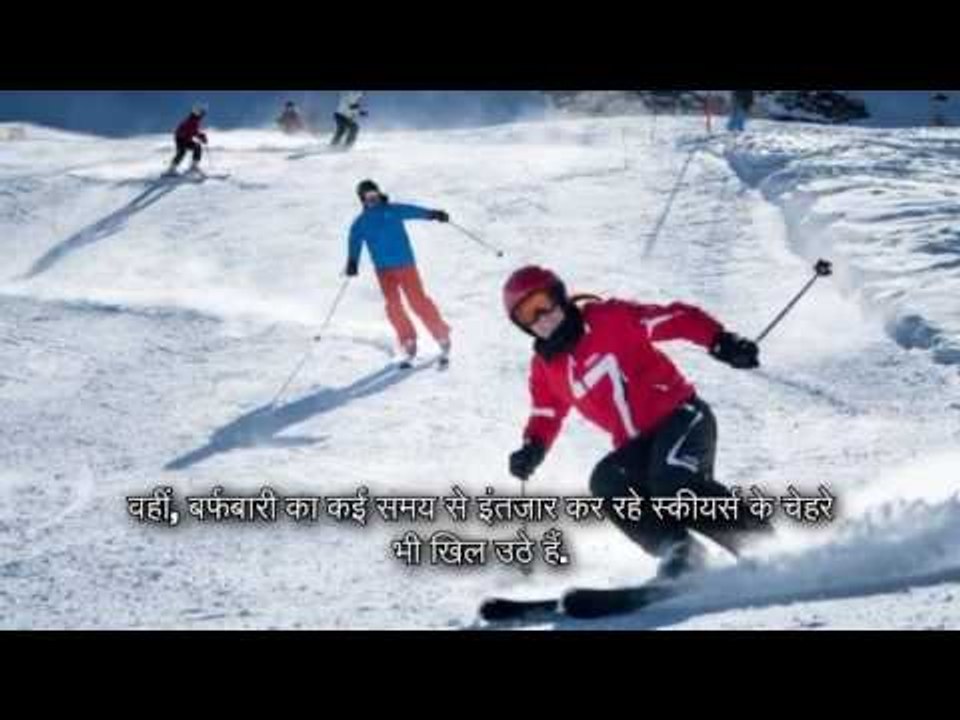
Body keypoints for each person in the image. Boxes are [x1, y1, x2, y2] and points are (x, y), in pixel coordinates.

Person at [503, 265, 772, 579]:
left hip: (682, 417)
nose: (541, 318)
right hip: (638, 445)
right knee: (607, 482)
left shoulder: (607, 318)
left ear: (559, 296)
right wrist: (532, 447)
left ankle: (762, 546)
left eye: (543, 304)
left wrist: (720, 340)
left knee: (671, 485)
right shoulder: (546, 368)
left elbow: (674, 318)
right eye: (528, 316)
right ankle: (680, 552)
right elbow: (545, 414)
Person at [344, 179, 453, 367]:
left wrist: (433, 214)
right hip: (383, 270)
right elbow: (354, 242)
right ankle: (407, 340)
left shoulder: (393, 210)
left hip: (405, 264)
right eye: (368, 197)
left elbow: (414, 211)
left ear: (379, 194)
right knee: (393, 305)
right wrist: (352, 261)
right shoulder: (360, 223)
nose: (372, 200)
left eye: (374, 195)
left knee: (417, 300)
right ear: (362, 200)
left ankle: (441, 334)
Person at [167, 104, 209, 175]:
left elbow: (194, 131)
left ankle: (193, 166)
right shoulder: (191, 120)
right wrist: (200, 136)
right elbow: (188, 130)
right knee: (182, 152)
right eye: (202, 114)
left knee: (197, 147)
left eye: (203, 114)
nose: (202, 116)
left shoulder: (195, 121)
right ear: (198, 113)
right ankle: (171, 169)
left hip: (186, 139)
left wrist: (201, 136)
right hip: (181, 139)